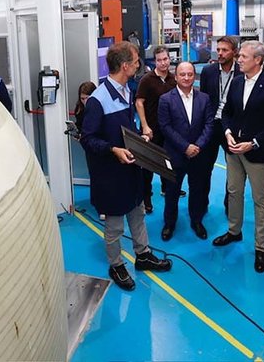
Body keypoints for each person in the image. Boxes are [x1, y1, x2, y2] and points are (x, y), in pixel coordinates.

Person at [80, 41, 172, 291]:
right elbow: (87, 138)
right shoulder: (98, 100)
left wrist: (138, 138)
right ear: (125, 66)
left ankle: (142, 255)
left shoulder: (126, 90)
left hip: (131, 168)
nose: (138, 65)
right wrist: (114, 150)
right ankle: (116, 264)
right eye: (135, 61)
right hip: (110, 173)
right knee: (114, 225)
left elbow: (124, 128)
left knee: (138, 212)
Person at [213, 41, 264, 273]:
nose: (239, 59)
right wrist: (227, 133)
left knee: (260, 201)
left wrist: (253, 143)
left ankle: (261, 248)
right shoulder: (235, 83)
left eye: (244, 56)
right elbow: (226, 113)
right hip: (234, 151)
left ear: (258, 60)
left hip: (258, 153)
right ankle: (234, 231)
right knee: (234, 192)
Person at [158, 62, 215, 240]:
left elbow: (209, 124)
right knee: (172, 191)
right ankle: (169, 223)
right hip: (175, 155)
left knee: (197, 190)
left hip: (198, 155)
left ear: (194, 76)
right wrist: (185, 147)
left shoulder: (204, 98)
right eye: (182, 74)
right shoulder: (166, 99)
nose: (186, 77)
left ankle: (196, 221)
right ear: (176, 77)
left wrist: (197, 146)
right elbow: (165, 127)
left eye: (190, 74)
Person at [199, 36, 241, 214]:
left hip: (231, 127)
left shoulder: (241, 72)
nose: (221, 53)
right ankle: (201, 204)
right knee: (204, 168)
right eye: (219, 49)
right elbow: (202, 99)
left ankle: (229, 204)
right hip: (210, 125)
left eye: (225, 50)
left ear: (234, 52)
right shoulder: (208, 71)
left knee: (233, 170)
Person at [135, 45, 177, 213]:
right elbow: (139, 102)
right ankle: (146, 198)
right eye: (159, 60)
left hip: (168, 131)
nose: (163, 63)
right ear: (155, 62)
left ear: (169, 59)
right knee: (147, 167)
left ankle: (166, 188)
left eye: (165, 59)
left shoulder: (174, 80)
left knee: (168, 162)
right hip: (151, 131)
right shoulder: (147, 79)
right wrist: (145, 126)